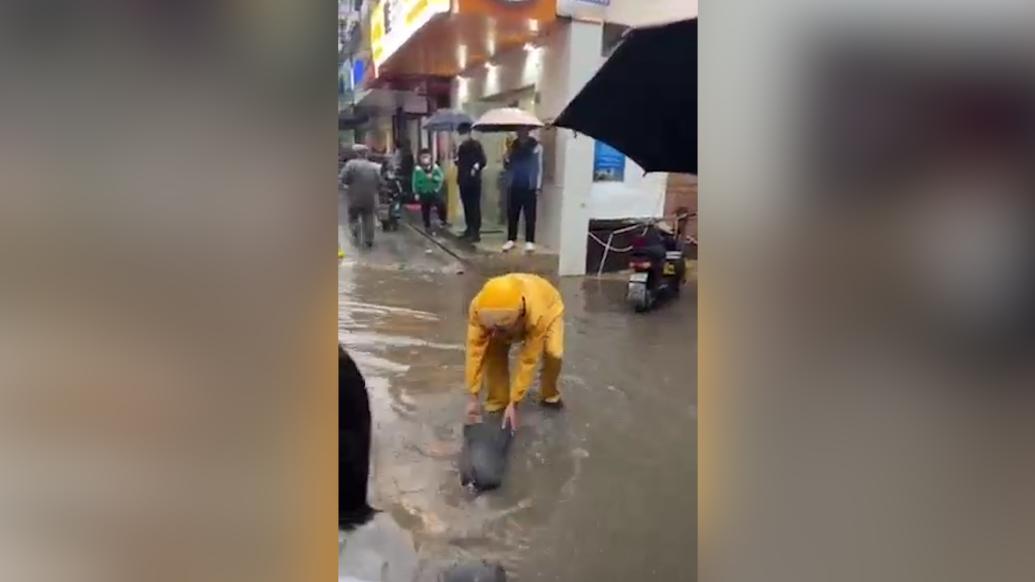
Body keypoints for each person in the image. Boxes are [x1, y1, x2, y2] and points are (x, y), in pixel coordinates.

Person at [465, 274, 565, 432]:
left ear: (519, 318)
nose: (494, 335)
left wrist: (515, 403)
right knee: (494, 353)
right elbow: (474, 352)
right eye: (490, 329)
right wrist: (473, 396)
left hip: (548, 305)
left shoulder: (537, 315)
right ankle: (497, 402)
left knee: (554, 352)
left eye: (500, 330)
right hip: (512, 305)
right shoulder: (478, 309)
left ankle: (549, 394)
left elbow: (528, 360)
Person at [502, 128, 544, 253]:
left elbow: (539, 166)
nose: (520, 133)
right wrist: (506, 155)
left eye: (523, 130)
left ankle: (529, 241)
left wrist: (538, 185)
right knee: (512, 213)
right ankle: (511, 239)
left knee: (530, 214)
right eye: (519, 130)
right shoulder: (512, 146)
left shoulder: (536, 147)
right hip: (514, 183)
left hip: (529, 184)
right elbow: (507, 165)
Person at [339, 144, 382, 248]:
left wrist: (347, 183)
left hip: (354, 197)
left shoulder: (350, 165)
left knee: (353, 216)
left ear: (356, 153)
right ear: (365, 154)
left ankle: (355, 231)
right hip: (369, 197)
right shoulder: (373, 166)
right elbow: (379, 182)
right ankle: (369, 239)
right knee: (368, 217)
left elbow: (344, 178)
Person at [455, 122, 487, 242]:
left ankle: (476, 231)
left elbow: (483, 160)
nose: (461, 136)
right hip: (463, 181)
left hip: (474, 181)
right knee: (467, 206)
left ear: (468, 133)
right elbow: (461, 163)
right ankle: (469, 228)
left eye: (463, 134)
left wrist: (476, 166)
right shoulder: (461, 148)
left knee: (474, 206)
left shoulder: (476, 145)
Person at [412, 148, 447, 232]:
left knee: (441, 204)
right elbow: (414, 181)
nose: (425, 159)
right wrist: (416, 192)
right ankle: (427, 225)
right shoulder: (417, 170)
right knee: (425, 209)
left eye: (426, 156)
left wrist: (434, 178)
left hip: (434, 191)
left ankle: (442, 220)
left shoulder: (435, 168)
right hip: (423, 192)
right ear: (420, 158)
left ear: (430, 157)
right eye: (423, 157)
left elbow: (441, 177)